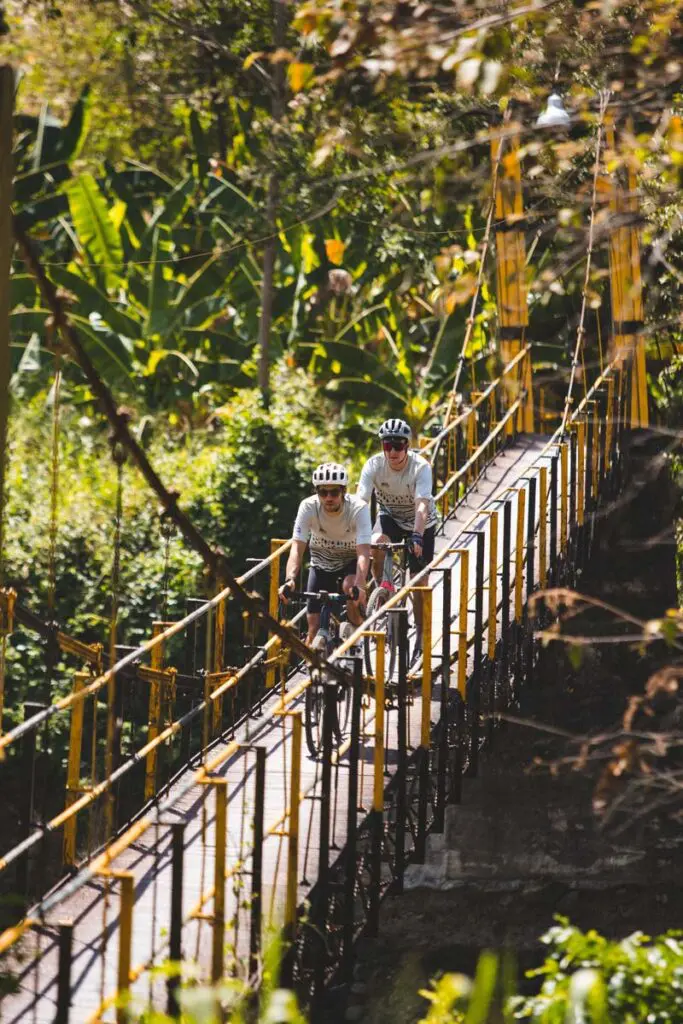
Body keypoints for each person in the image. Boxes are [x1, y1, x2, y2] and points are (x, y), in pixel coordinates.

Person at [357, 417, 437, 644]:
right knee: (376, 541)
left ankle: (421, 632)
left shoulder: (420, 467)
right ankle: (384, 589)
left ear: (407, 446)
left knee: (418, 581)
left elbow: (422, 504)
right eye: (387, 445)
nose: (392, 451)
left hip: (419, 523)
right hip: (390, 516)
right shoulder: (373, 465)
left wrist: (418, 536)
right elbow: (361, 501)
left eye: (398, 445)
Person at [279, 463, 371, 648]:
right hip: (322, 561)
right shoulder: (308, 506)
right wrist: (290, 580)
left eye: (334, 493)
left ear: (344, 491)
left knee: (349, 588)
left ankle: (357, 638)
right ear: (317, 492)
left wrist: (359, 587)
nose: (328, 498)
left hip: (350, 558)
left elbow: (363, 553)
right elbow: (297, 548)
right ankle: (315, 669)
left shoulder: (358, 508)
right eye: (323, 493)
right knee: (313, 626)